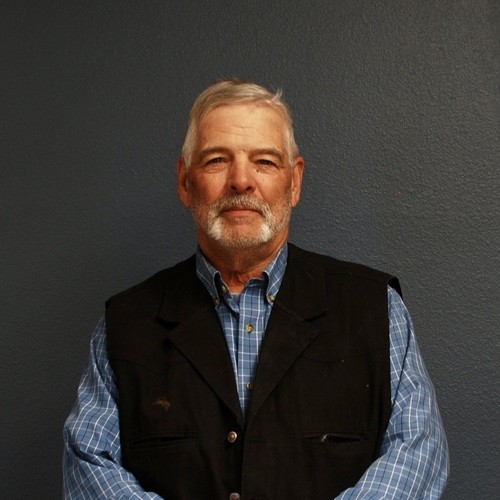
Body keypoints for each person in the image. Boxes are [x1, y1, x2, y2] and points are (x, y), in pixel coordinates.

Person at [63, 78, 449, 499]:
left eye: (264, 161)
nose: (241, 180)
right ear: (185, 182)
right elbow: (89, 461)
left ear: (294, 182)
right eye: (216, 160)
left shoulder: (375, 310)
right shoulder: (126, 325)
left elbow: (417, 453)